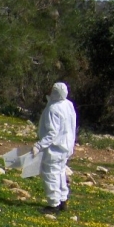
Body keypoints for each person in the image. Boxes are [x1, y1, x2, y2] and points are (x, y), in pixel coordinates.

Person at [32, 82, 77, 213]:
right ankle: (63, 200)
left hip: (55, 148)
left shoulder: (53, 108)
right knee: (61, 172)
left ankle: (53, 204)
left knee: (51, 174)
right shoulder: (68, 104)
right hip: (67, 146)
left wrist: (39, 145)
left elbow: (52, 133)